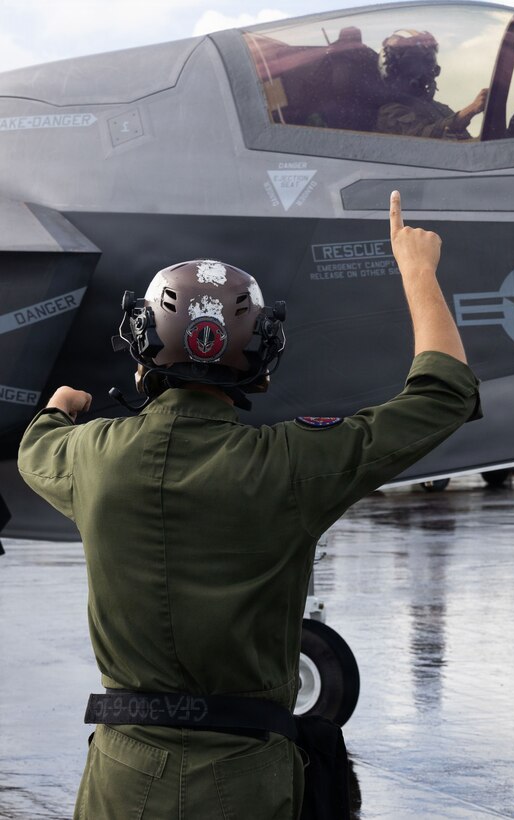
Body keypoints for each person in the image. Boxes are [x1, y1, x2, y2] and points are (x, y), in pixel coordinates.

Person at [17, 192, 481, 820]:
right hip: (247, 781)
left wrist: (59, 408)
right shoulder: (292, 464)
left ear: (142, 348)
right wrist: (417, 271)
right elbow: (442, 395)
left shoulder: (90, 456)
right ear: (261, 359)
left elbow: (36, 447)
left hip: (120, 779)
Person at [376, 30, 488, 139]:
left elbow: (466, 144)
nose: (431, 67)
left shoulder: (440, 109)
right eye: (422, 61)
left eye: (429, 60)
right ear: (400, 67)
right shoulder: (390, 113)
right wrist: (470, 111)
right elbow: (423, 140)